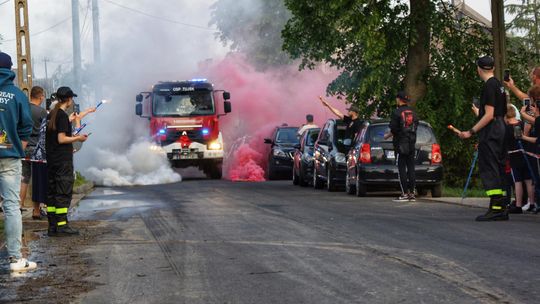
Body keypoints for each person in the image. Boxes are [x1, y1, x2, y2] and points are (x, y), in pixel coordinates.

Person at [459, 56, 508, 221]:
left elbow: (489, 115)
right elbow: (497, 112)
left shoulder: (488, 86)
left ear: (479, 69)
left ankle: (495, 209)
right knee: (499, 167)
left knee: (490, 167)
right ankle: (502, 207)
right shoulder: (499, 85)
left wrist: (470, 132)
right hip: (501, 128)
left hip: (492, 130)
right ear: (493, 68)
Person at [0, 52, 37, 271]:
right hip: (9, 157)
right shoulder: (17, 95)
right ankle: (15, 259)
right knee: (11, 206)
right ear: (10, 69)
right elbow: (26, 126)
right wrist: (18, 146)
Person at [46, 87, 88, 236]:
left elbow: (56, 132)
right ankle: (62, 226)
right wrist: (78, 138)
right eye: (72, 99)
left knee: (52, 192)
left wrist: (69, 120)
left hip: (51, 160)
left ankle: (52, 226)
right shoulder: (62, 115)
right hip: (62, 161)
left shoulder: (52, 114)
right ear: (69, 99)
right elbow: (61, 138)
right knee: (63, 192)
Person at [384, 91, 419, 202]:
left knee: (402, 168)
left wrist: (387, 135)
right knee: (411, 168)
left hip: (400, 144)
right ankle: (412, 194)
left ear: (399, 99)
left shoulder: (396, 112)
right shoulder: (413, 112)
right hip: (412, 143)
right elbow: (416, 125)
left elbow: (394, 129)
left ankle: (404, 194)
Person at [20, 86, 48, 219]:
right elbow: (46, 131)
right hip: (37, 150)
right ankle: (36, 210)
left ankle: (19, 206)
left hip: (23, 146)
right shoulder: (42, 111)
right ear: (41, 96)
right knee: (38, 179)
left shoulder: (23, 108)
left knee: (24, 178)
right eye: (43, 96)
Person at [504, 105, 534, 213]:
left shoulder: (506, 128)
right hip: (525, 154)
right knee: (529, 180)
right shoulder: (522, 124)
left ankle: (518, 205)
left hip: (513, 156)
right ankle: (532, 203)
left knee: (517, 181)